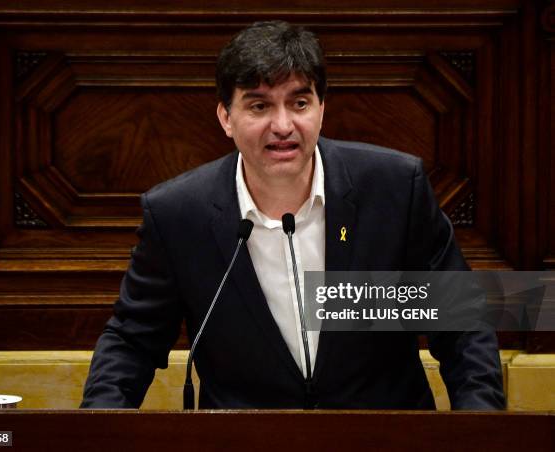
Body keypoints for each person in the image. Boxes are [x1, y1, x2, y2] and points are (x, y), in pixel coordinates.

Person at [81, 21, 505, 410]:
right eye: (259, 106)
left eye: (299, 102)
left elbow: (463, 326)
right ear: (226, 117)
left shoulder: (394, 189)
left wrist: (483, 431)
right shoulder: (177, 214)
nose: (282, 125)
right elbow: (132, 343)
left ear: (322, 107)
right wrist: (96, 433)